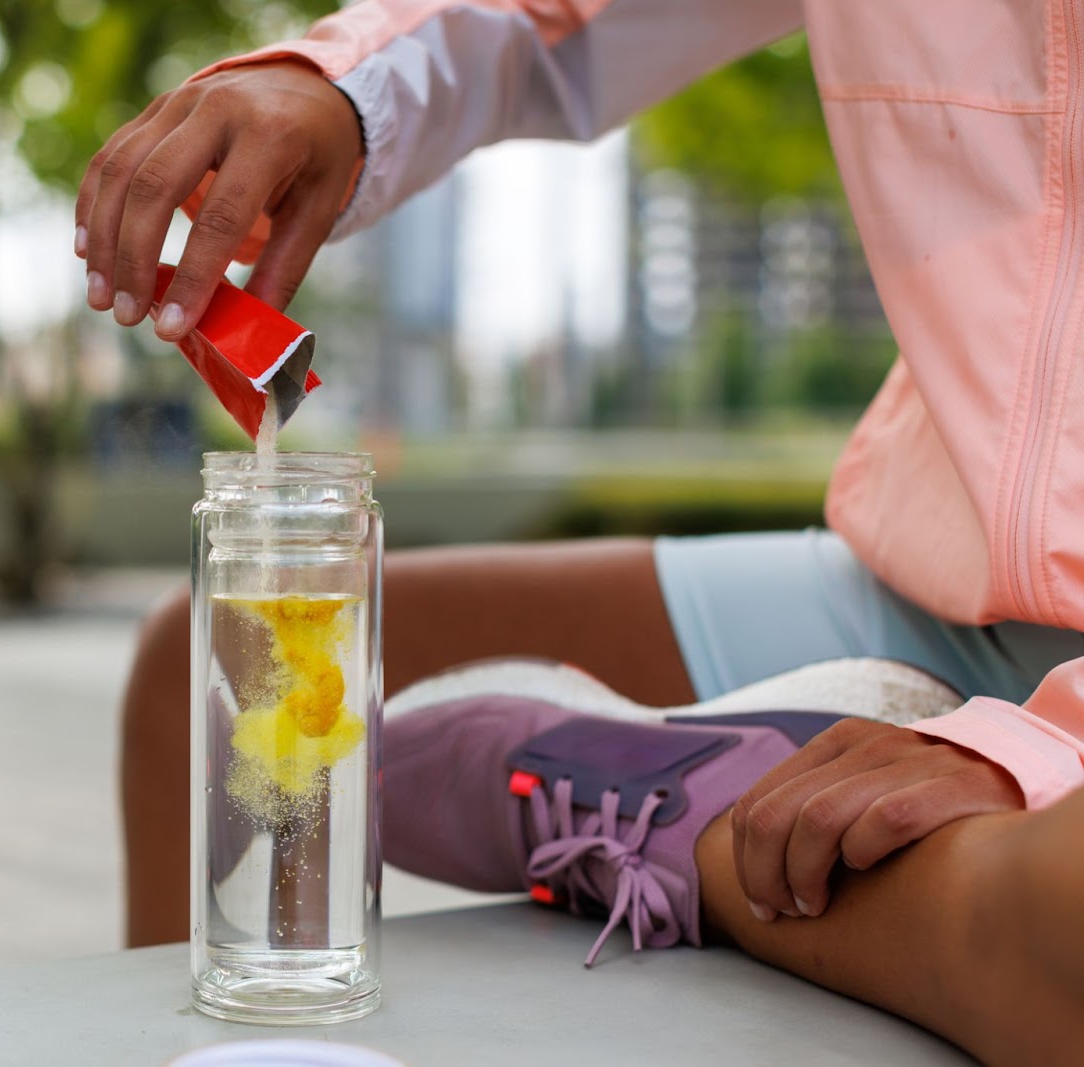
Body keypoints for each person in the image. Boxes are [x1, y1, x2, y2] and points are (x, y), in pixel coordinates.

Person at [77, 0, 1084, 1060]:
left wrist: (1037, 745)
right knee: (195, 671)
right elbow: (553, 20)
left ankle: (686, 809)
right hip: (939, 576)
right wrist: (337, 85)